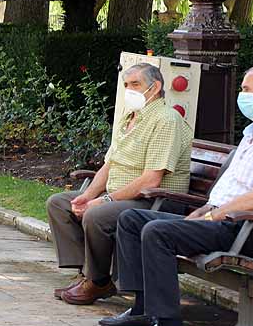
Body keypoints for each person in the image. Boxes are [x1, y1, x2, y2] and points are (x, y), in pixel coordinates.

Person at [102, 64, 253, 326]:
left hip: (247, 230)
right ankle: (142, 309)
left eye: (246, 90)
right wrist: (203, 211)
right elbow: (232, 190)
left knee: (157, 232)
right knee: (131, 219)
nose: (241, 96)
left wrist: (213, 215)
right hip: (223, 220)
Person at [46, 63, 192, 305]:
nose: (129, 90)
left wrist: (104, 199)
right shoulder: (130, 117)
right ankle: (91, 275)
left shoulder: (166, 120)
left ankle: (97, 281)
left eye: (136, 84)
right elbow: (110, 164)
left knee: (97, 215)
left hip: (155, 202)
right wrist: (87, 195)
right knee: (60, 204)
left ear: (155, 87)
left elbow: (152, 179)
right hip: (122, 197)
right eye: (126, 85)